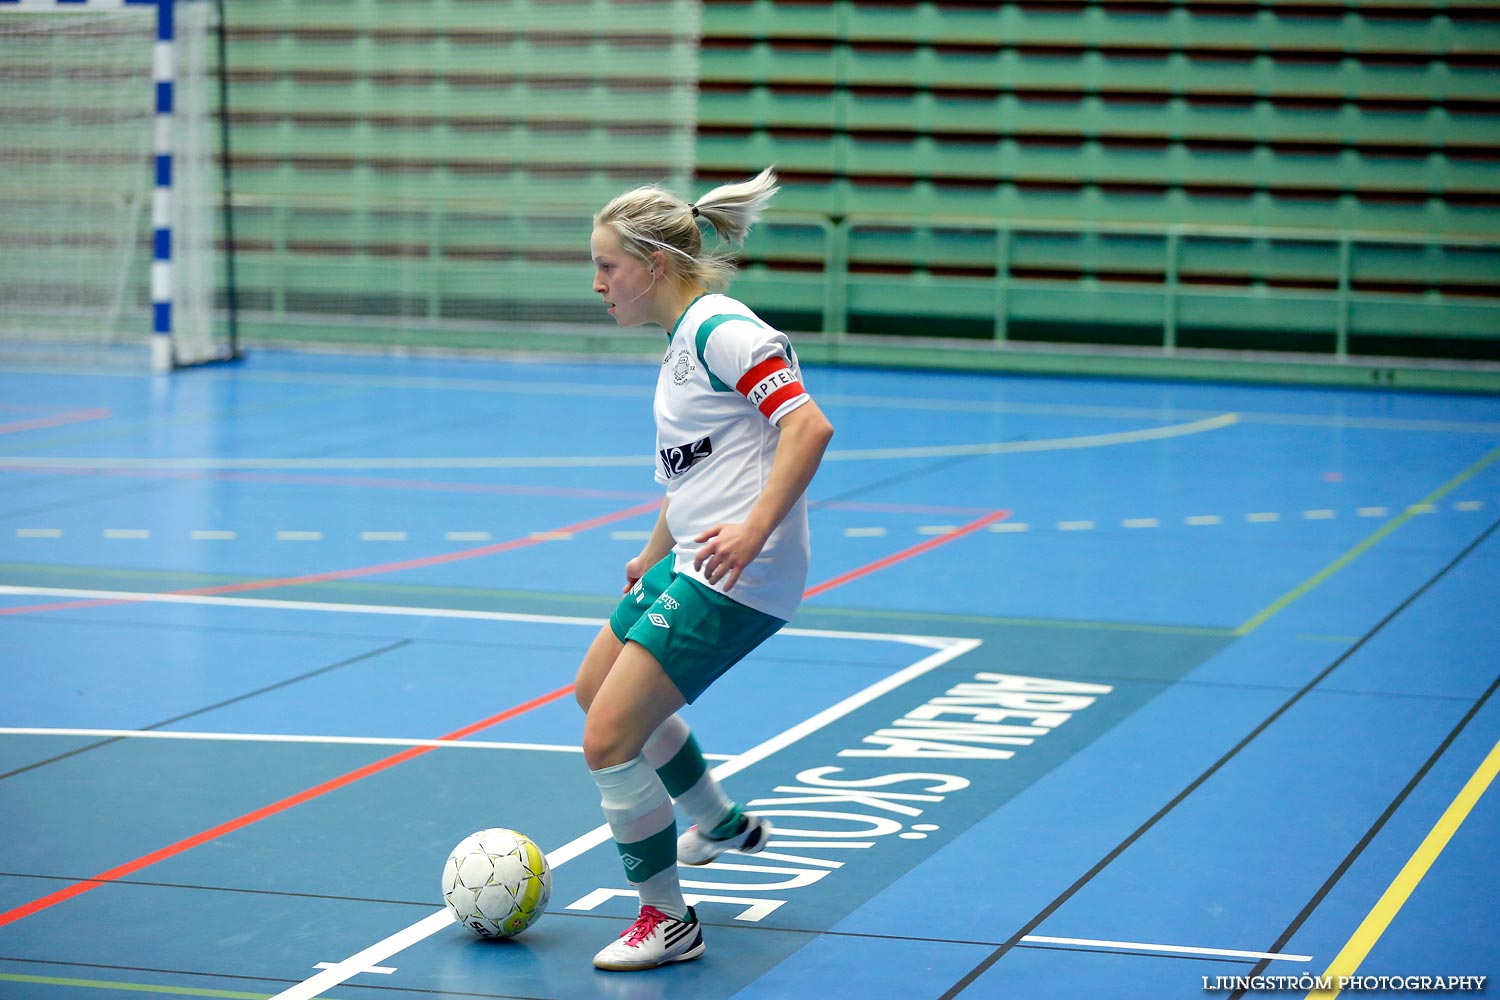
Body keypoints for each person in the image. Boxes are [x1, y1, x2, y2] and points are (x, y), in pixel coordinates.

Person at [577, 167, 834, 971]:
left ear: (653, 263)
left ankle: (667, 921)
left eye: (607, 265)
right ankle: (715, 821)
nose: (597, 283)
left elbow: (808, 427)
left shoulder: (722, 329)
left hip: (734, 575)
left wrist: (755, 531)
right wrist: (652, 551)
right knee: (595, 690)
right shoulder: (681, 341)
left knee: (607, 738)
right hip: (690, 560)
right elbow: (696, 469)